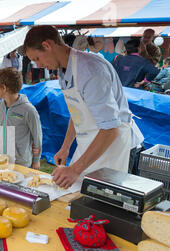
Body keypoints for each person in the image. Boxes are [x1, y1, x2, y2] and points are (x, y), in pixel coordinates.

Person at [24, 25, 144, 188]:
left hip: (114, 145)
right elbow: (78, 112)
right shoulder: (63, 70)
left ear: (47, 45)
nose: (38, 65)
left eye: (37, 58)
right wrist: (65, 147)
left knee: (105, 200)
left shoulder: (90, 70)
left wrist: (74, 169)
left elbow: (110, 129)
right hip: (91, 142)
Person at [0, 67, 42, 170]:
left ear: (4, 88)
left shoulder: (29, 110)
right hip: (2, 158)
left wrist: (36, 160)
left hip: (21, 162)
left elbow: (37, 137)